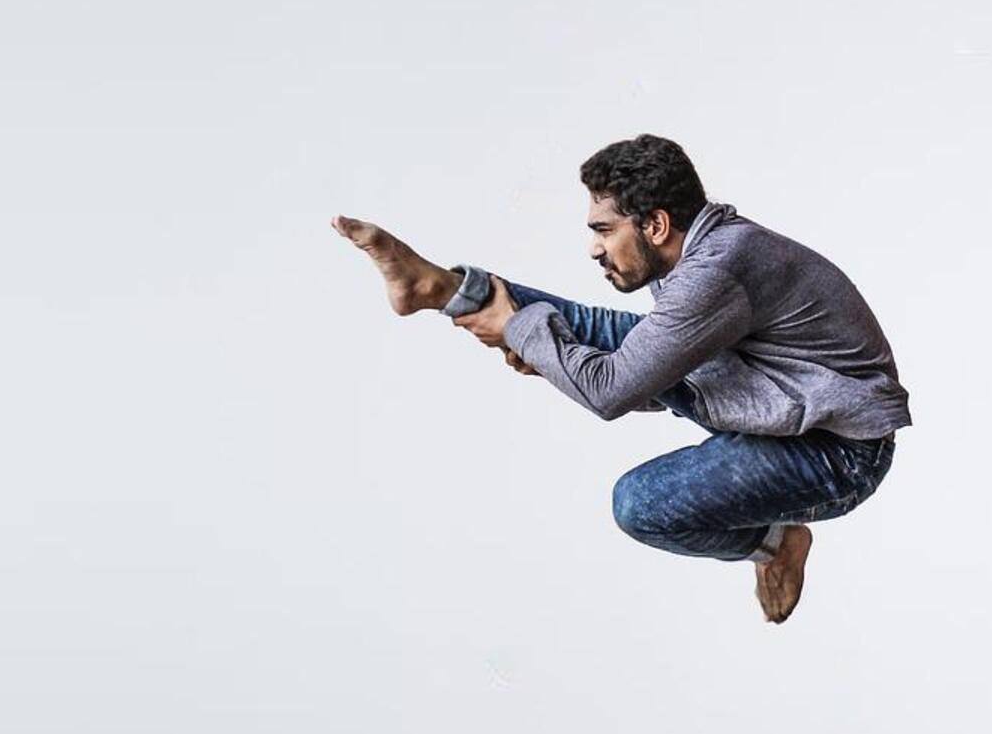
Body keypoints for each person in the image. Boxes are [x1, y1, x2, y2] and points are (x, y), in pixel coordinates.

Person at [331, 134, 911, 623]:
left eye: (605, 230)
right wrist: (553, 351)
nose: (594, 248)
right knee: (597, 334)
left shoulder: (718, 270)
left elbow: (610, 393)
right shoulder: (698, 253)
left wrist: (535, 339)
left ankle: (778, 541)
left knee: (642, 504)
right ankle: (439, 287)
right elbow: (636, 375)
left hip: (835, 453)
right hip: (772, 395)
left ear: (656, 224)